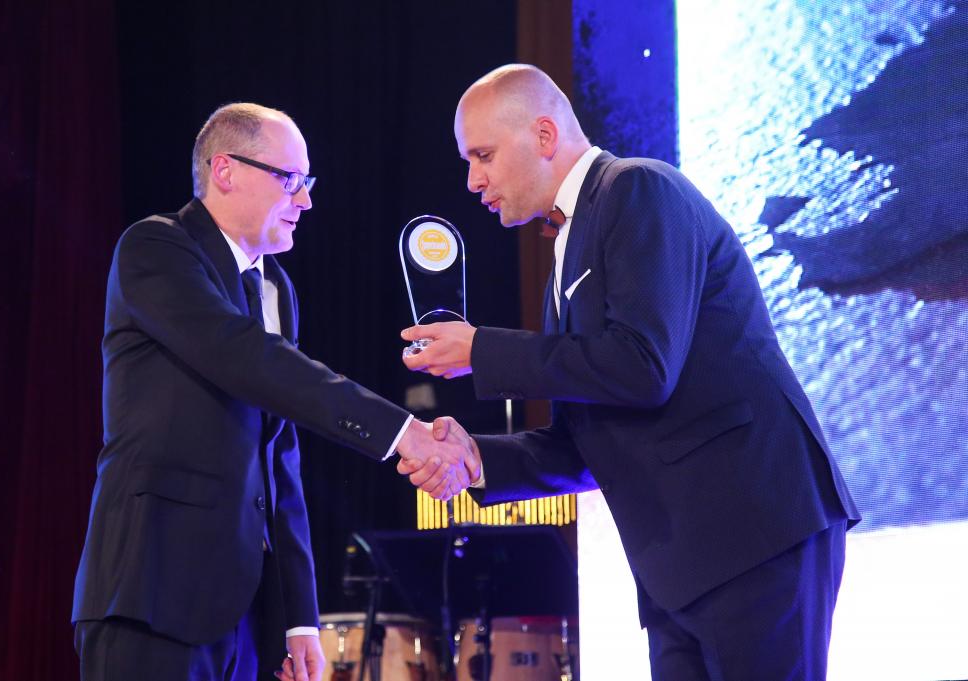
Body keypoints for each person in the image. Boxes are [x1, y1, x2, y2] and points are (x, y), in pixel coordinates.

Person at [399, 65, 860, 680]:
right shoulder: (566, 253)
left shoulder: (637, 188)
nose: (472, 179)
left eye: (483, 155)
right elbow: (583, 444)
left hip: (752, 536)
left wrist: (483, 350)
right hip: (681, 570)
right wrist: (474, 459)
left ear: (543, 135)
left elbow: (644, 366)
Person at [72, 103, 474, 681]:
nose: (305, 200)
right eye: (289, 179)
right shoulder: (156, 248)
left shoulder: (275, 287)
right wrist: (403, 432)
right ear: (225, 170)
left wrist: (298, 617)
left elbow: (278, 456)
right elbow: (247, 358)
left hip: (242, 611)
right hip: (150, 592)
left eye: (307, 182)